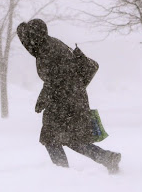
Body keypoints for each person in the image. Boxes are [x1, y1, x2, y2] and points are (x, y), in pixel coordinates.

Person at [17, 18, 121, 174]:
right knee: (72, 139)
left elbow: (56, 78)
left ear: (37, 36)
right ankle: (106, 158)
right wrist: (22, 29)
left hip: (64, 99)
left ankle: (62, 175)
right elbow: (31, 47)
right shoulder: (48, 45)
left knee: (51, 137)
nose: (29, 41)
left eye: (31, 36)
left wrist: (42, 99)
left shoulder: (47, 50)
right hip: (72, 97)